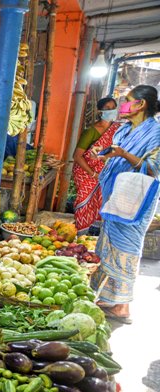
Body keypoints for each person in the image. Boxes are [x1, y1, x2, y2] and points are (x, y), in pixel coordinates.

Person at [90, 85, 160, 323]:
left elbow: (152, 168)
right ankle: (109, 298)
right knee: (109, 246)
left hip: (136, 198)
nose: (123, 105)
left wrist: (122, 154)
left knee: (126, 248)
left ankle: (122, 307)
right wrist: (107, 154)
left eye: (128, 101)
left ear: (141, 104)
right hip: (116, 194)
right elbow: (119, 152)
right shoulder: (125, 130)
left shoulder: (156, 133)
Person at [71, 97, 119, 232]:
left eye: (113, 108)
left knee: (101, 203)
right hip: (85, 173)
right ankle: (81, 233)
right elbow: (77, 156)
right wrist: (93, 174)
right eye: (107, 109)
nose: (111, 111)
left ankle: (93, 235)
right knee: (84, 202)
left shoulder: (117, 130)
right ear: (100, 111)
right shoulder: (91, 131)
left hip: (104, 173)